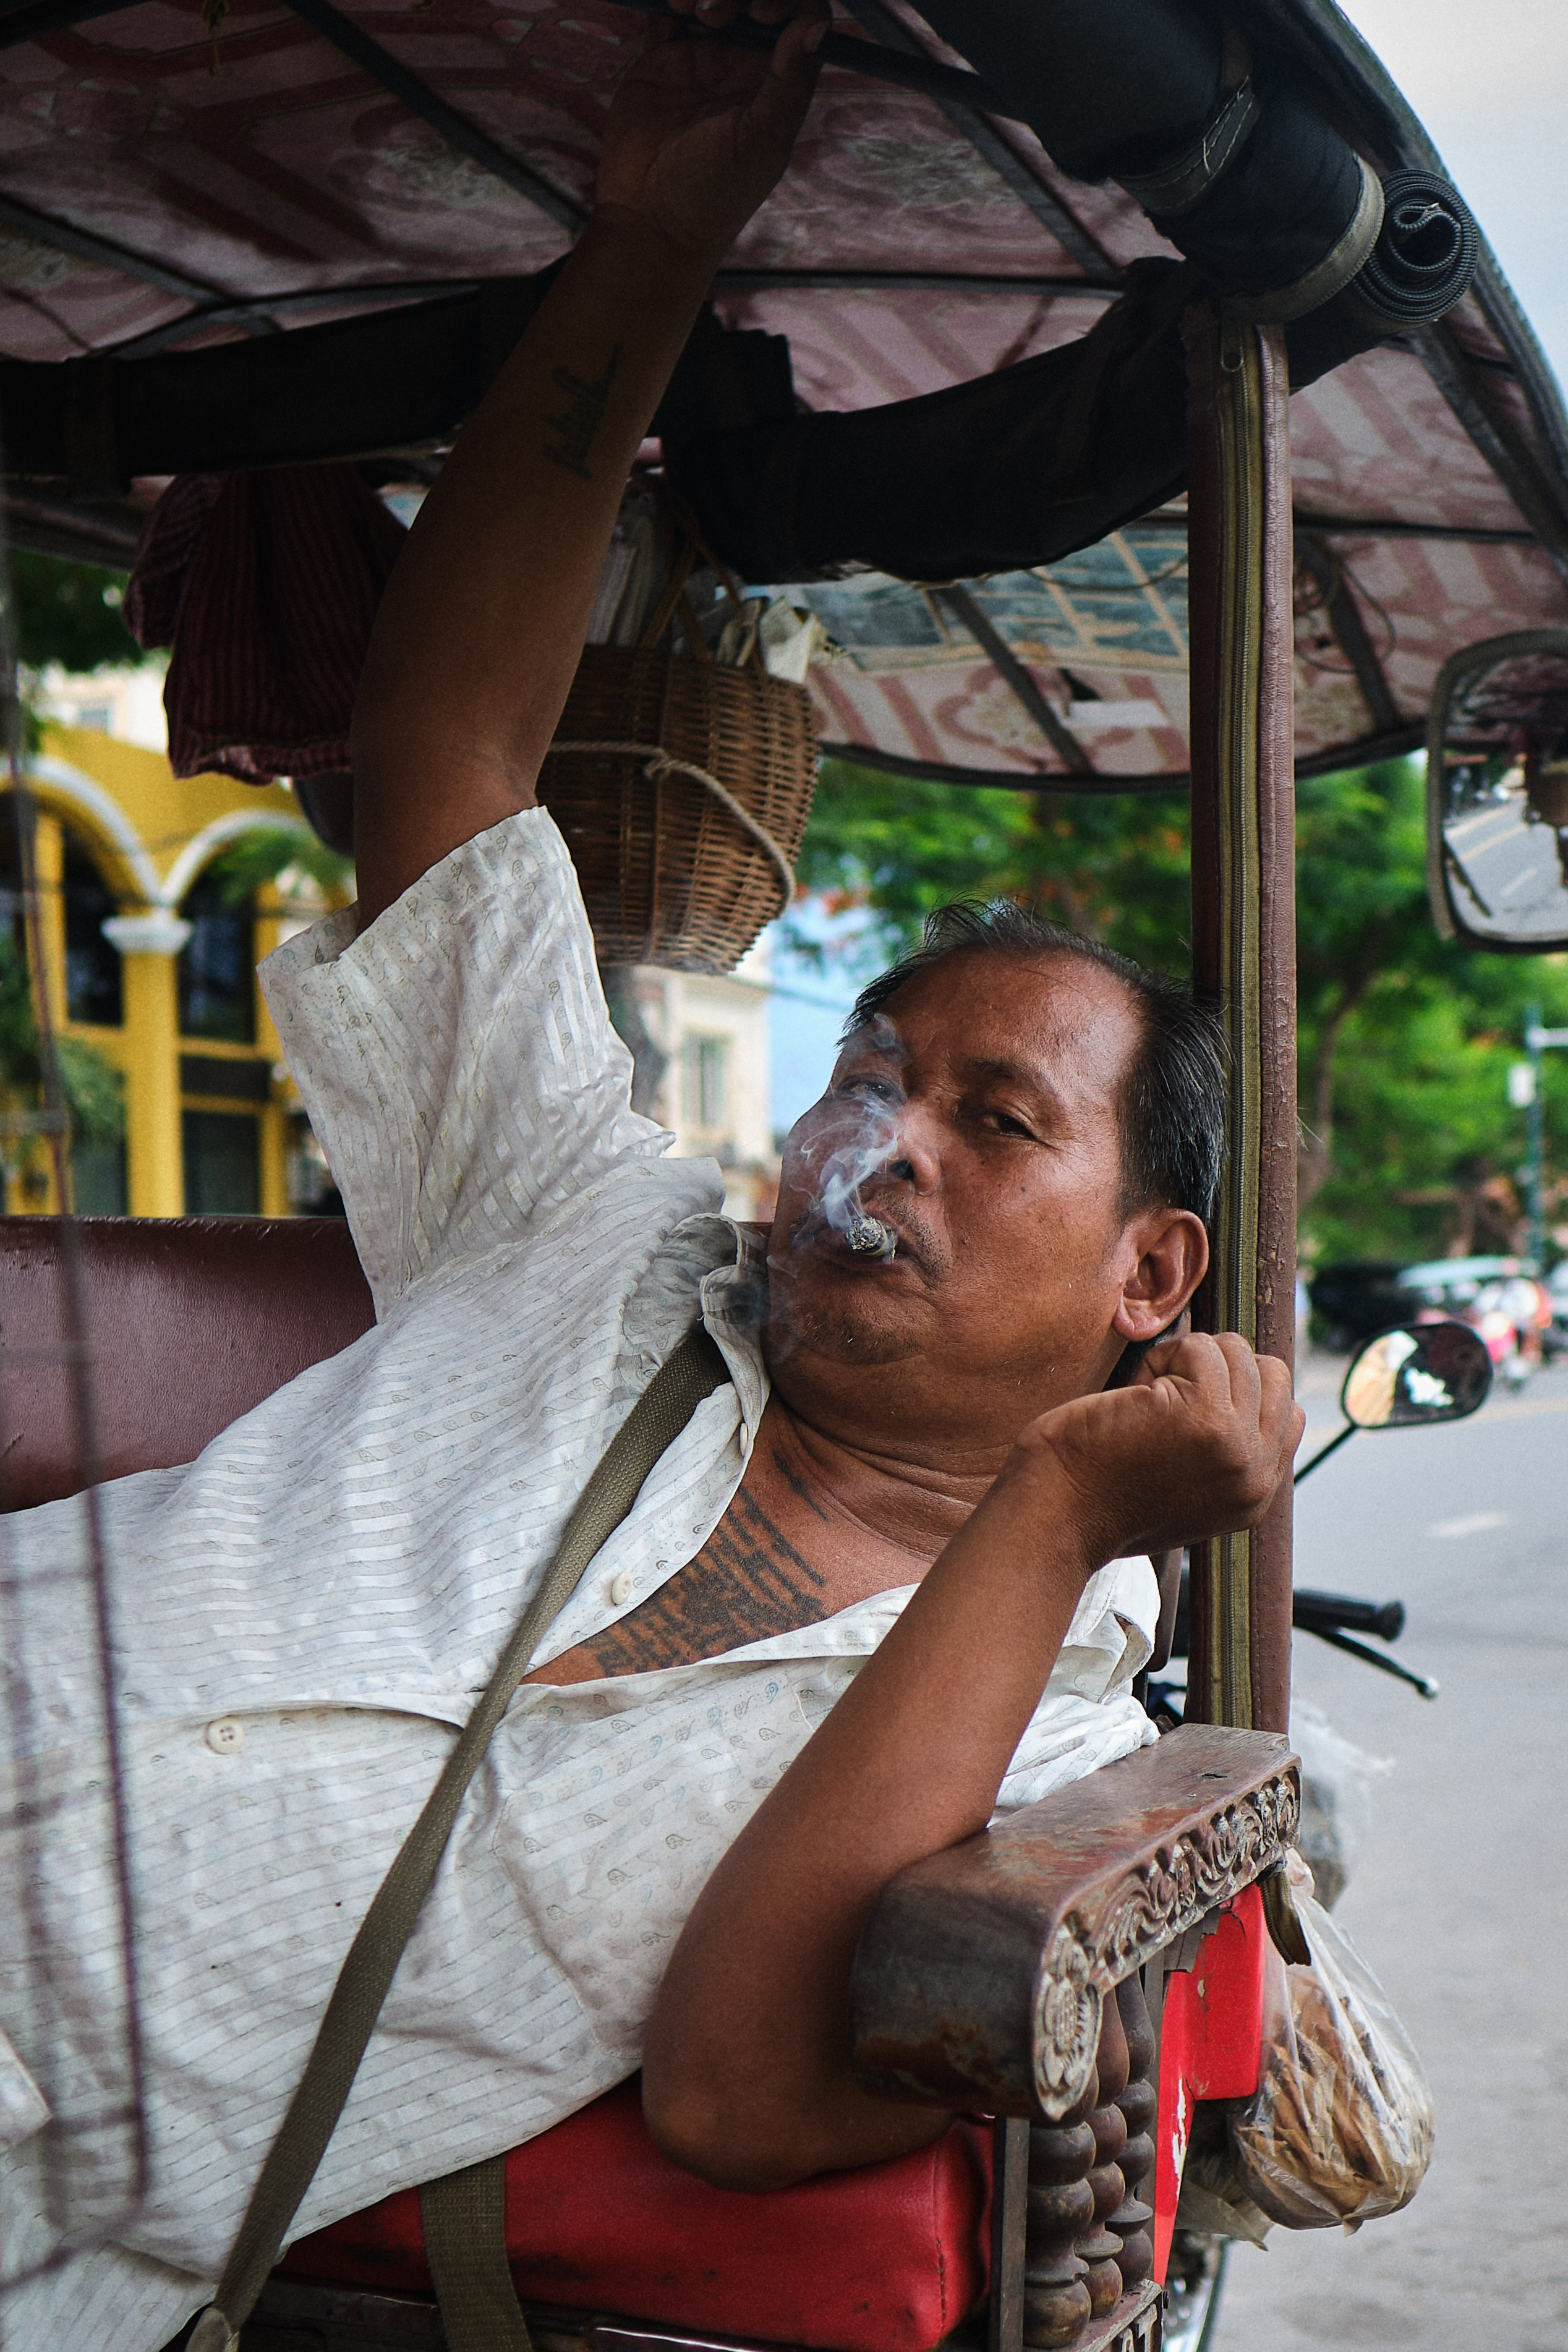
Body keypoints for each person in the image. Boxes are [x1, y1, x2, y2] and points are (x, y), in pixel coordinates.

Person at [0, 6, 1300, 2343]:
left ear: (1152, 1269)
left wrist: (1051, 1511)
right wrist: (648, 243)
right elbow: (450, 757)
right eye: (867, 1068)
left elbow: (735, 2088)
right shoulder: (587, 1224)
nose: (874, 1132)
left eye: (992, 1120)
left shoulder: (1061, 1738)